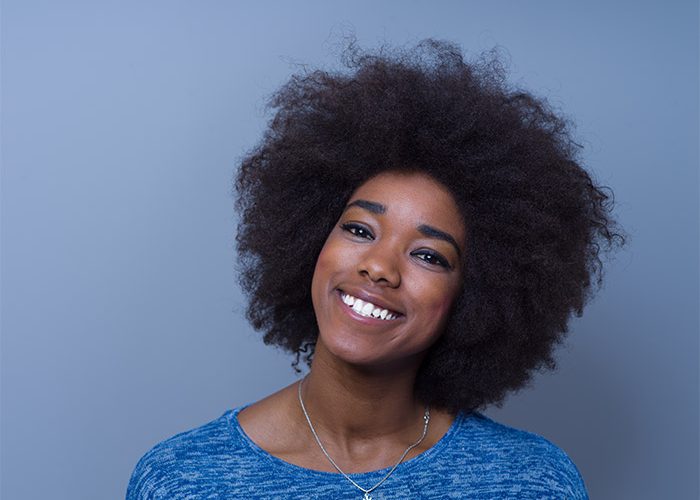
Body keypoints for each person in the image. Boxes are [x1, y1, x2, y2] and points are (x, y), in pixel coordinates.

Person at [127, 40, 623, 499]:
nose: (379, 267)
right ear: (309, 241)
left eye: (429, 255)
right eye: (360, 230)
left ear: (473, 298)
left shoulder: (529, 482)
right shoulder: (183, 479)